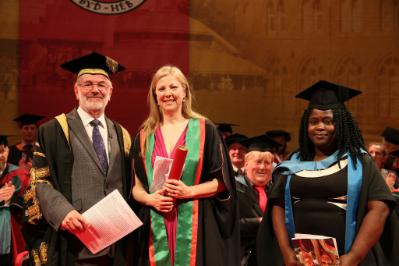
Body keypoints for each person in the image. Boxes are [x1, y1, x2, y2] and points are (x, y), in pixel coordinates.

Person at [256, 80, 399, 265]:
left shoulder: (359, 161)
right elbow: (277, 206)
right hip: (299, 260)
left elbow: (379, 210)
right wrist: (287, 253)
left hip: (347, 259)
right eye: (313, 121)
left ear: (341, 124)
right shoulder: (294, 161)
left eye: (328, 121)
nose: (320, 127)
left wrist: (354, 256)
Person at [23, 52, 133, 265]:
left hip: (116, 244)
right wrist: (63, 212)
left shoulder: (122, 134)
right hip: (74, 241)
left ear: (111, 92)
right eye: (87, 84)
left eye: (102, 84)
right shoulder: (53, 130)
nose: (95, 90)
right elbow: (40, 181)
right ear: (76, 90)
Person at [131, 65, 239, 266]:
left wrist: (188, 191)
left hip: (196, 225)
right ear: (155, 96)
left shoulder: (205, 130)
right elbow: (136, 187)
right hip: (156, 223)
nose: (168, 93)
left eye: (173, 87)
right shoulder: (144, 135)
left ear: (184, 92)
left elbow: (222, 183)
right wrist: (150, 199)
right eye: (161, 89)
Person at [235, 134, 277, 266]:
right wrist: (258, 222)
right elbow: (228, 225)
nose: (263, 167)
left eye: (267, 163)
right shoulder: (234, 190)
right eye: (258, 162)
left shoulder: (276, 191)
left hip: (272, 256)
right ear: (246, 165)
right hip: (243, 256)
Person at [0, 135, 29, 265]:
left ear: (8, 150)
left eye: (1, 151)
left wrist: (13, 199)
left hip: (11, 231)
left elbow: (30, 202)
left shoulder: (19, 175)